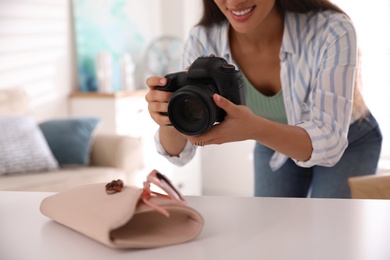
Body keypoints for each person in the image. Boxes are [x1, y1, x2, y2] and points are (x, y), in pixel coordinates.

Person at [145, 0, 382, 198]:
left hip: (349, 139)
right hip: (272, 140)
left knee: (331, 237)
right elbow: (180, 153)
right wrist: (168, 117)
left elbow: (329, 140)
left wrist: (256, 129)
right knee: (273, 234)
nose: (235, 2)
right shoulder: (203, 40)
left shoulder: (332, 30)